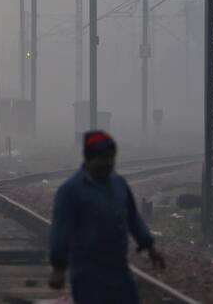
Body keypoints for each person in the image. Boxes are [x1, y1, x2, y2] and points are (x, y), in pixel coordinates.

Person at [48, 130, 165, 304]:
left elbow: (133, 218)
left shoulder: (119, 185)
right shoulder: (71, 191)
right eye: (102, 158)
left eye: (111, 158)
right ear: (88, 158)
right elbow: (60, 230)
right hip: (87, 273)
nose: (108, 163)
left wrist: (150, 247)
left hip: (119, 270)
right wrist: (59, 267)